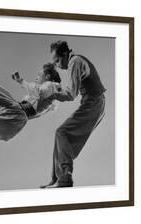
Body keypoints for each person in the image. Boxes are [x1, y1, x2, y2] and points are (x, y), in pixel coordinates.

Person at [40, 41, 106, 188]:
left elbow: (70, 94)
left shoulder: (75, 62)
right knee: (61, 136)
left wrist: (51, 94)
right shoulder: (75, 61)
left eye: (57, 61)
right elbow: (70, 91)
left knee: (61, 132)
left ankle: (65, 178)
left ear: (65, 54)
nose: (56, 65)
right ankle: (56, 178)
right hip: (93, 103)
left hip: (94, 103)